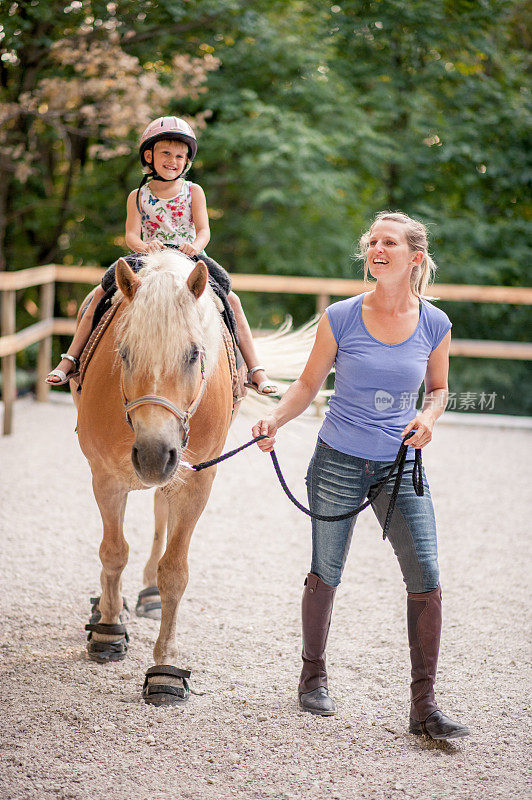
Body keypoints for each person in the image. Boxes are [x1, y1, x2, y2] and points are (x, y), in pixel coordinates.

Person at [252, 211, 470, 740]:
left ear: (414, 257)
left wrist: (429, 417)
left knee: (427, 576)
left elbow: (438, 390)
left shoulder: (435, 323)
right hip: (337, 461)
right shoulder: (341, 317)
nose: (376, 248)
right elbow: (307, 385)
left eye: (389, 242)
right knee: (325, 569)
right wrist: (273, 420)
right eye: (372, 241)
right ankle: (313, 678)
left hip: (400, 466)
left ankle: (424, 709)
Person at [46, 116, 278, 396]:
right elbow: (131, 235)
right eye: (166, 153)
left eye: (180, 156)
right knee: (100, 293)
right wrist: (144, 246)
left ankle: (253, 369)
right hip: (150, 257)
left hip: (187, 256)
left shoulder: (193, 191)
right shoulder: (138, 195)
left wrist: (195, 244)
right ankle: (71, 360)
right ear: (149, 156)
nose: (173, 160)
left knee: (230, 299)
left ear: (187, 161)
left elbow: (204, 230)